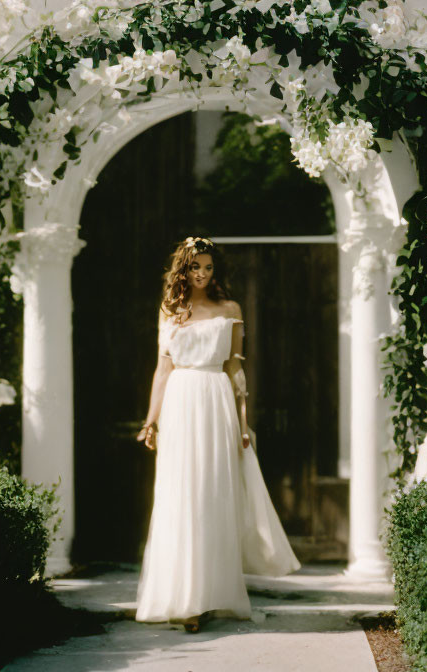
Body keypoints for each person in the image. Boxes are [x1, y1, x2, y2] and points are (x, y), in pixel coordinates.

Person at [134, 236, 300, 633]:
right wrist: (150, 420)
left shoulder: (231, 310)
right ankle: (183, 598)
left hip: (216, 401)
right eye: (195, 268)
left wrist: (243, 425)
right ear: (183, 270)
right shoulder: (171, 310)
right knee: (180, 496)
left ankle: (211, 596)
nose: (203, 274)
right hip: (180, 403)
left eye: (208, 267)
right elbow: (162, 371)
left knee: (212, 495)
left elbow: (235, 373)